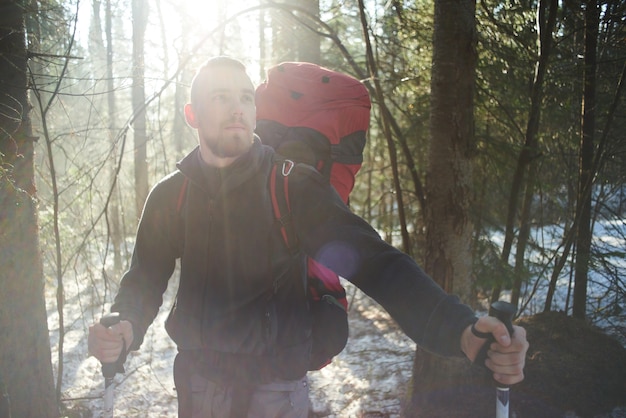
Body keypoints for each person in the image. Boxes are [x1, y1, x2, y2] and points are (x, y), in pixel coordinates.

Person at [88, 56, 528, 418]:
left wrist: (459, 330)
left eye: (245, 97)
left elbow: (377, 263)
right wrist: (124, 324)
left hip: (276, 393)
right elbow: (144, 280)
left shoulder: (292, 186)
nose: (236, 108)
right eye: (220, 98)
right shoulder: (171, 195)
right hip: (198, 389)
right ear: (193, 114)